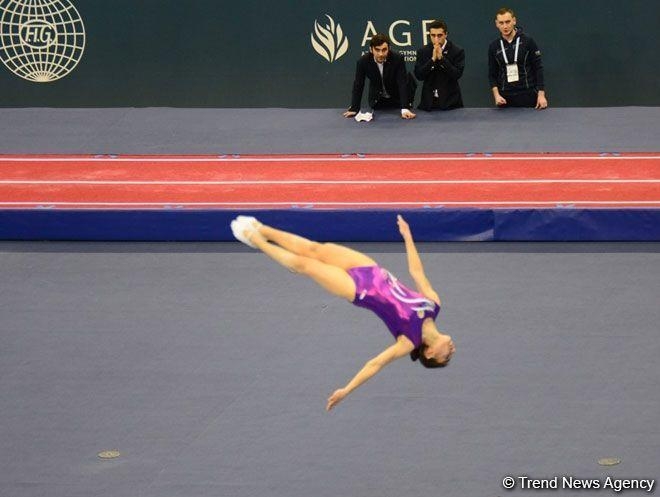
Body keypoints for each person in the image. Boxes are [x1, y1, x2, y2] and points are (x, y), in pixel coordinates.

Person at [230, 214, 456, 411]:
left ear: (429, 353)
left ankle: (256, 240)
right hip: (371, 269)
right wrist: (407, 236)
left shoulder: (409, 340)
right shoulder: (434, 304)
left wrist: (346, 390)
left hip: (358, 290)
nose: (451, 350)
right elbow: (417, 271)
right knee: (315, 248)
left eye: (446, 356)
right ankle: (262, 228)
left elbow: (375, 364)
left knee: (305, 265)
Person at [343, 33, 417, 120]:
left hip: (398, 99)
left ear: (389, 49)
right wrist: (354, 108)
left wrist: (405, 108)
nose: (381, 54)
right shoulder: (363, 62)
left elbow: (402, 83)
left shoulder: (398, 59)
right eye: (377, 50)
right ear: (371, 49)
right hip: (378, 101)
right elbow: (358, 84)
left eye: (384, 50)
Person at [488, 7, 548, 109]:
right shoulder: (494, 46)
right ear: (496, 24)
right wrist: (496, 95)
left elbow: (538, 68)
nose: (505, 26)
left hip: (527, 94)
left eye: (508, 22)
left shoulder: (527, 41)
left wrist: (541, 95)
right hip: (505, 97)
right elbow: (492, 74)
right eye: (501, 23)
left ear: (514, 21)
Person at [414, 19, 465, 111]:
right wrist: (432, 60)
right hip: (428, 104)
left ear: (446, 34)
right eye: (433, 35)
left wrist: (442, 59)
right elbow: (419, 75)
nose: (436, 39)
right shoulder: (423, 51)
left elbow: (457, 74)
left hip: (451, 104)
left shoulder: (457, 51)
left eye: (439, 35)